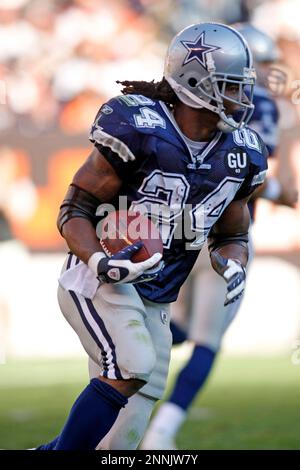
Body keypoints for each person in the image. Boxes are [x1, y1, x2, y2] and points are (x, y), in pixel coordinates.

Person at [36, 22, 267, 450]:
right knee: (133, 363)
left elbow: (232, 232)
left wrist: (233, 263)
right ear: (196, 82)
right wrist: (100, 261)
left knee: (120, 445)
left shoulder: (241, 152)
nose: (241, 100)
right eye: (231, 87)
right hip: (103, 279)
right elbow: (75, 209)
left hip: (158, 295)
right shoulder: (140, 125)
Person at [140, 24, 298, 451]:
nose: (258, 79)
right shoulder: (258, 107)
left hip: (176, 233)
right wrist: (285, 192)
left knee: (174, 327)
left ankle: (118, 371)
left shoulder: (171, 105)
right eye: (254, 68)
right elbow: (256, 179)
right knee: (206, 340)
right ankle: (159, 432)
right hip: (221, 239)